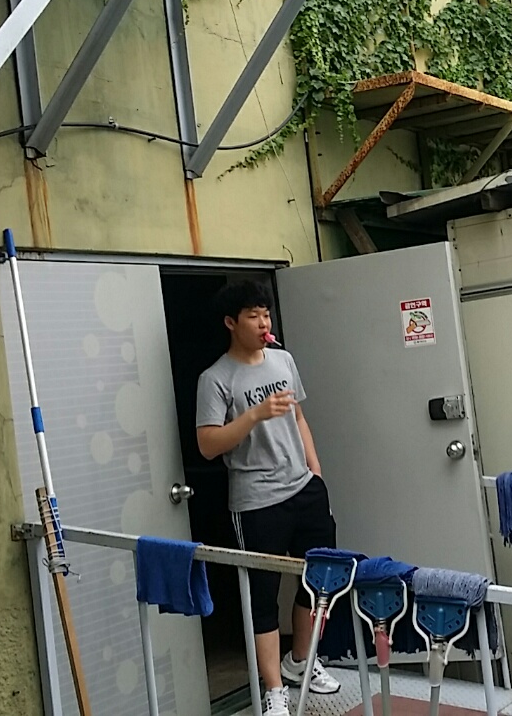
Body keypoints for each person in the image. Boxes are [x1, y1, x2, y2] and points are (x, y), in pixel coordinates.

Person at [196, 280, 340, 716]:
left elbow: (299, 417)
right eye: (253, 316)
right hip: (256, 500)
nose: (263, 323)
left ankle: (302, 661)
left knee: (321, 580)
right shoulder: (215, 378)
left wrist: (316, 474)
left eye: (266, 314)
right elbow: (208, 444)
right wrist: (255, 414)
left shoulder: (283, 359)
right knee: (262, 595)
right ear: (231, 323)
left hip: (304, 488)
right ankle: (274, 688)